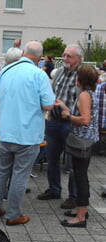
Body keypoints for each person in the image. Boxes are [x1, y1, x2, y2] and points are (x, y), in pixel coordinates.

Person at [0, 41, 55, 226]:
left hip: (5, 131)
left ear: (23, 53)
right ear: (39, 57)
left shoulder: (5, 71)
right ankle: (13, 214)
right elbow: (48, 105)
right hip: (27, 134)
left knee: (1, 171)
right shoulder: (38, 74)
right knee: (20, 174)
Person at [37, 45, 83, 210]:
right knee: (52, 158)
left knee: (72, 163)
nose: (65, 59)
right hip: (54, 120)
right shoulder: (60, 72)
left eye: (69, 56)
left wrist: (71, 114)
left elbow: (84, 100)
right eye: (64, 55)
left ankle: (73, 196)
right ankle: (54, 189)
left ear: (78, 58)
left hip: (70, 123)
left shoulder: (82, 75)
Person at [55, 65, 99, 228]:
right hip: (86, 141)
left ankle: (81, 216)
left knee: (80, 178)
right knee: (80, 176)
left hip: (82, 142)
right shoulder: (89, 94)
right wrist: (64, 107)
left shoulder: (84, 96)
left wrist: (68, 116)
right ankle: (81, 210)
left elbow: (85, 120)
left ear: (81, 80)